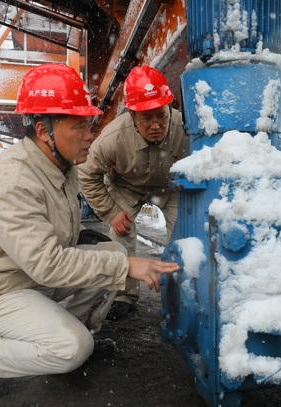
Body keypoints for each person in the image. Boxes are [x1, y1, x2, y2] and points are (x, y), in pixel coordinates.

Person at [0, 63, 179, 399]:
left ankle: (72, 330)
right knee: (72, 348)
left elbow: (49, 236)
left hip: (24, 276)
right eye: (79, 126)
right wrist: (126, 266)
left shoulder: (59, 163)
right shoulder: (13, 181)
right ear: (43, 130)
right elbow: (46, 264)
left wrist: (98, 250)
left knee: (110, 253)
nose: (90, 135)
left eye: (90, 124)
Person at [78, 66, 189, 320]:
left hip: (170, 188)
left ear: (169, 108)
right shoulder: (112, 138)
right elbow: (86, 174)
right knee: (121, 235)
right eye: (146, 118)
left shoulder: (185, 128)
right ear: (131, 115)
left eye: (161, 116)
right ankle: (124, 295)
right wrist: (111, 212)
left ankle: (182, 293)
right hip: (126, 187)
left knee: (186, 236)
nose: (156, 125)